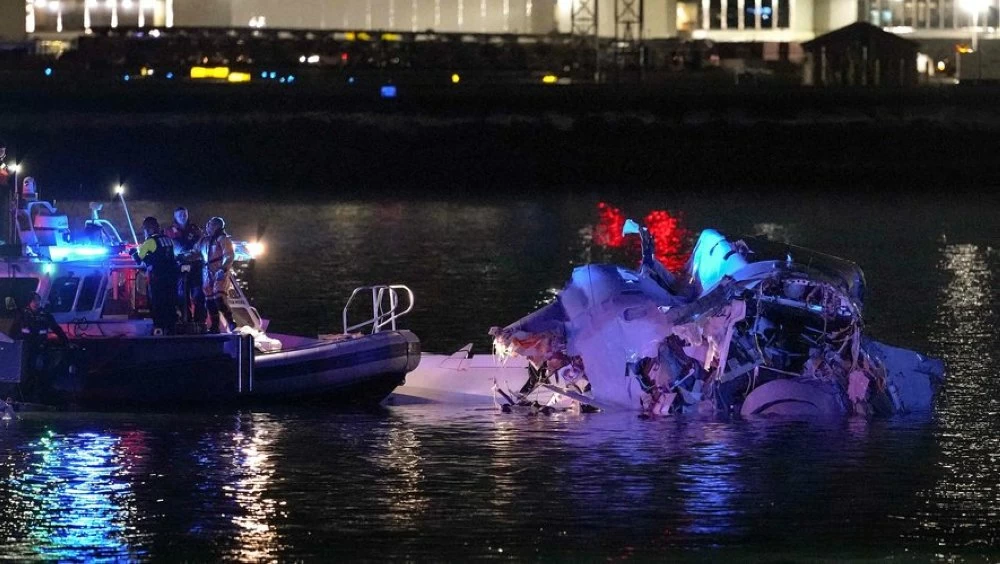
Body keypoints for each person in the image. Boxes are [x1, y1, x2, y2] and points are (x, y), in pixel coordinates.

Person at [10, 292, 70, 400]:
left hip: (40, 347)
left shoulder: (45, 315)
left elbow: (56, 329)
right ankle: (23, 394)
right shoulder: (22, 315)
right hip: (25, 348)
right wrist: (12, 344)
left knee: (40, 369)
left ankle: (40, 394)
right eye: (34, 300)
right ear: (29, 302)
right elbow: (14, 331)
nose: (36, 302)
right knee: (25, 371)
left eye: (38, 300)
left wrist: (66, 342)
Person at [130, 216, 179, 335]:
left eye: (145, 230)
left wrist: (132, 252)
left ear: (149, 229)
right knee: (170, 302)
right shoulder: (168, 239)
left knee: (157, 303)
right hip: (172, 277)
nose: (145, 232)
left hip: (158, 277)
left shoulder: (150, 242)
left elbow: (139, 259)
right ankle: (172, 328)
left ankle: (159, 328)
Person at [165, 206, 206, 327]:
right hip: (178, 267)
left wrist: (191, 254)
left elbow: (201, 245)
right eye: (180, 215)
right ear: (175, 216)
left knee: (198, 294)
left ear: (187, 215)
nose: (182, 217)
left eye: (184, 214)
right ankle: (185, 321)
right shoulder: (169, 231)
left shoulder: (196, 229)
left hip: (195, 266)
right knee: (182, 296)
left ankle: (200, 322)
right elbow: (168, 247)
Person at [200, 216, 236, 334]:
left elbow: (229, 255)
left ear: (216, 226)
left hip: (219, 272)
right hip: (207, 272)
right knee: (209, 301)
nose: (207, 227)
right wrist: (183, 256)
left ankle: (231, 322)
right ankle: (215, 326)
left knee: (219, 297)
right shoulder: (205, 241)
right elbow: (195, 251)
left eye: (209, 224)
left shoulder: (223, 239)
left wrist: (223, 269)